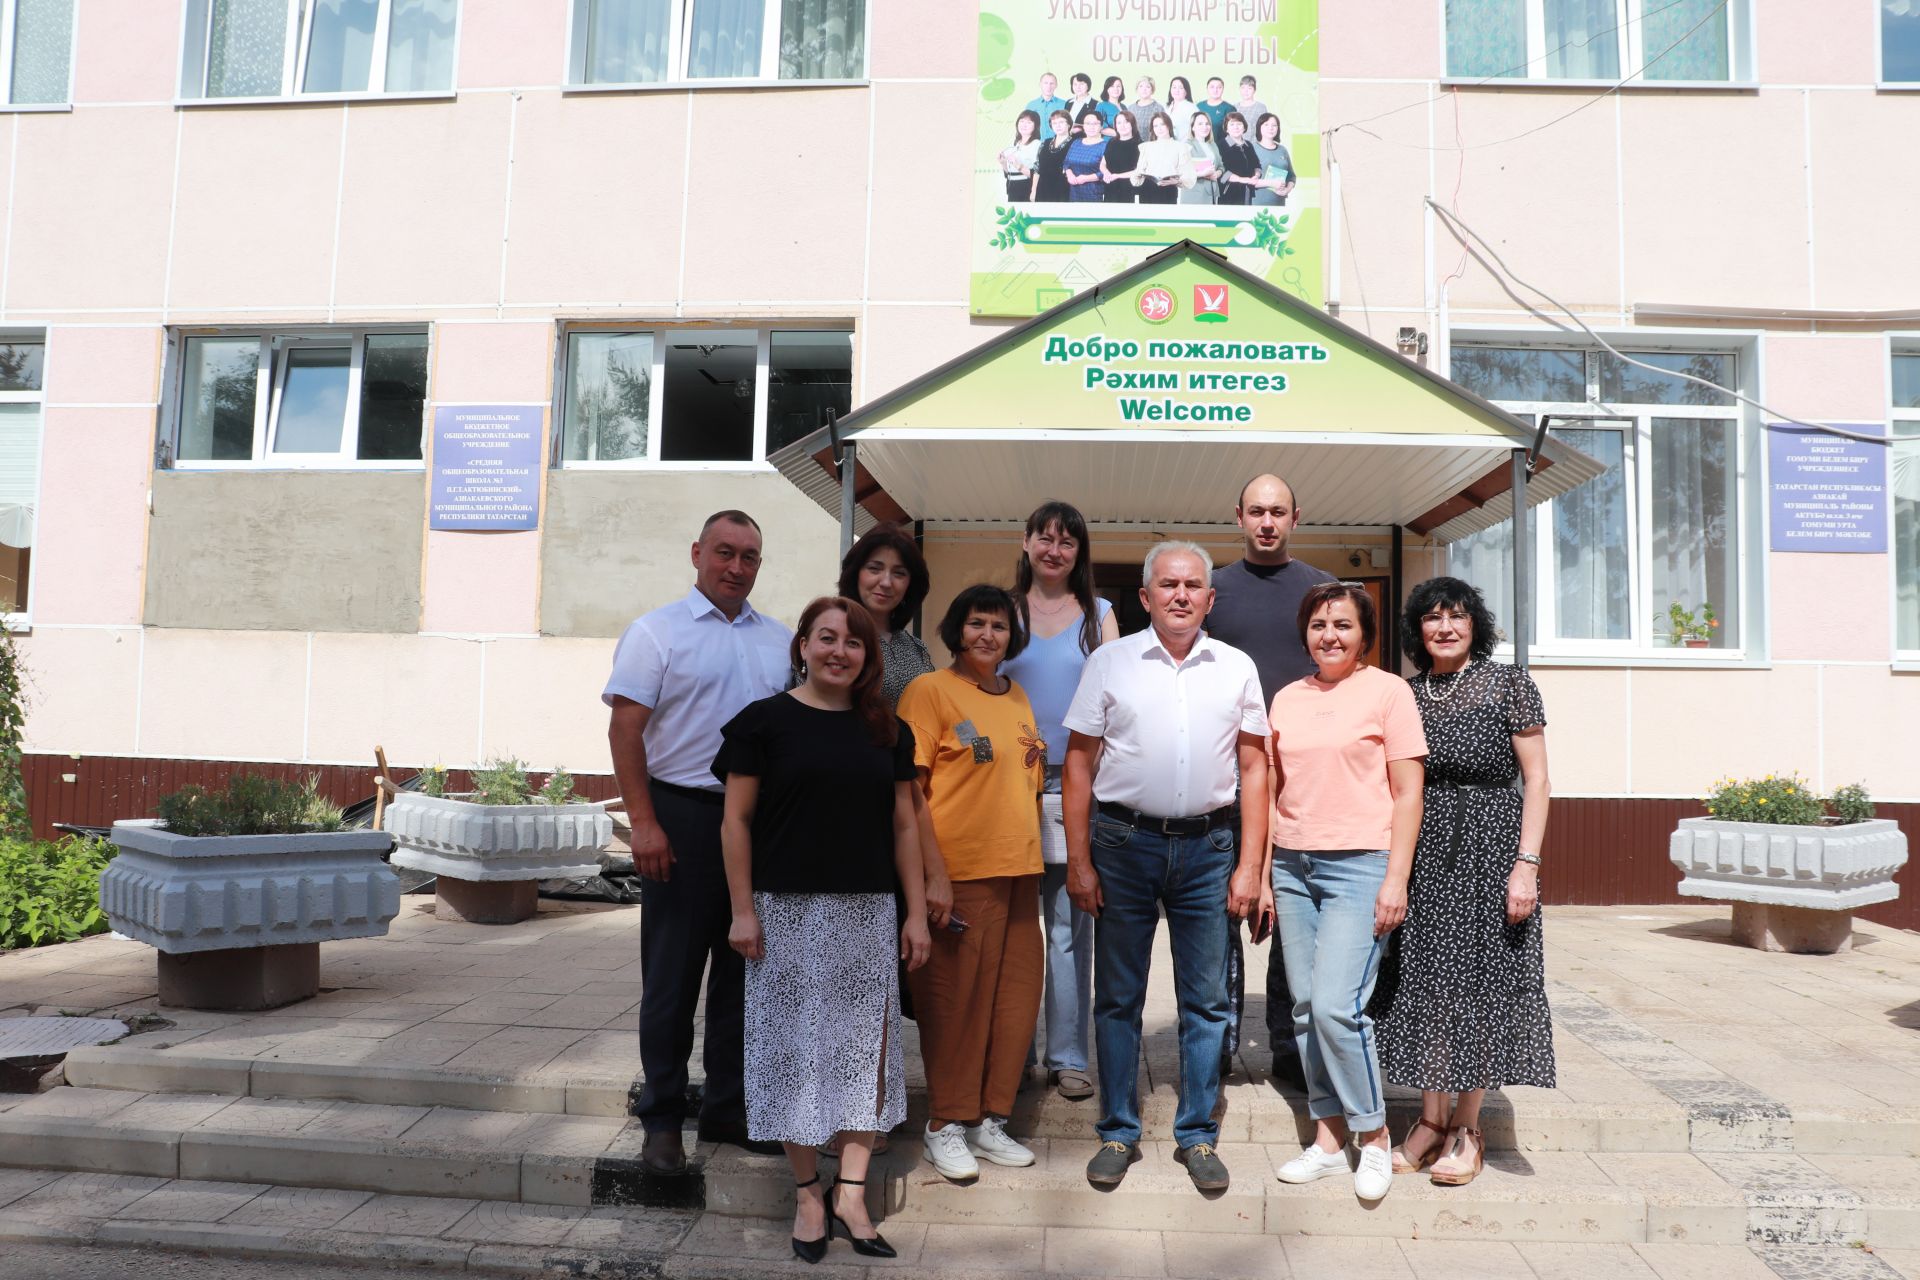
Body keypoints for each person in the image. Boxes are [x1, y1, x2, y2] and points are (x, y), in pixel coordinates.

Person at [716, 597, 932, 1264]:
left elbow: (904, 824)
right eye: (826, 638)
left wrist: (917, 911)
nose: (840, 651)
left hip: (867, 913)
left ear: (870, 657)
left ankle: (852, 1195)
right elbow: (736, 823)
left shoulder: (887, 732)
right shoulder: (762, 724)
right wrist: (743, 909)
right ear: (803, 646)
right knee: (792, 1056)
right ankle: (809, 1193)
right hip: (783, 913)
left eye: (854, 643)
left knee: (865, 1056)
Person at [1063, 542, 1269, 1194]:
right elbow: (1077, 763)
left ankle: (1197, 1134)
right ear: (1145, 597)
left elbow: (1257, 768)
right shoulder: (1109, 662)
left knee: (1206, 1002)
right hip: (1122, 845)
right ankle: (1119, 1132)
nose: (1181, 594)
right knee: (1119, 997)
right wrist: (1079, 861)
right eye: (1167, 584)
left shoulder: (1236, 667)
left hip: (1209, 850)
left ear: (1210, 598)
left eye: (1193, 585)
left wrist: (1250, 868)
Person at [604, 510, 793, 1174]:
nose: (737, 567)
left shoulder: (781, 641)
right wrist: (645, 822)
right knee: (673, 977)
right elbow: (626, 731)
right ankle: (661, 1117)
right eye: (725, 553)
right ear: (697, 554)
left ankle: (727, 1107)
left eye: (749, 557)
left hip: (758, 827)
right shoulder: (656, 633)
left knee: (746, 978)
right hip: (681, 820)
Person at [1372, 578, 1554, 1188]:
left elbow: (1538, 782)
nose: (1444, 627)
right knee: (1427, 982)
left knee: (1481, 983)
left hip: (1493, 851)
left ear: (1475, 623)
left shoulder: (1510, 684)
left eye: (1456, 616)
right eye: (1432, 618)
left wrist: (1526, 864)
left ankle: (1466, 1127)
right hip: (1426, 854)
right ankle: (1428, 1118)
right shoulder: (1407, 694)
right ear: (1417, 630)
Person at [1267, 582, 1425, 1204]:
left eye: (1343, 625)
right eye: (1318, 625)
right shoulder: (1285, 699)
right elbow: (1272, 786)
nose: (1329, 635)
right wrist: (1263, 874)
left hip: (1362, 865)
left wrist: (1396, 878)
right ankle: (1329, 1140)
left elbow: (1408, 793)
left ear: (1365, 636)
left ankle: (1375, 1134)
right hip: (1293, 865)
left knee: (1338, 1007)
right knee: (1306, 1008)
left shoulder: (1389, 691)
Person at [897, 585, 1046, 1184]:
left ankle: (989, 1118)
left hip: (1021, 870)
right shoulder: (929, 691)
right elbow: (909, 793)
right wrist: (932, 874)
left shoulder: (1019, 697)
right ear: (957, 630)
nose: (988, 635)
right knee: (954, 1004)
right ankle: (945, 1125)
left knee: (1013, 1004)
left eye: (1000, 627)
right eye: (977, 623)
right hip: (960, 873)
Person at [1203, 475, 1333, 1091]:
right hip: (1223, 770)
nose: (1266, 522)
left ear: (1296, 517)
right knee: (1221, 904)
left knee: (1291, 907)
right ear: (1238, 516)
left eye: (1278, 511)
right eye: (1256, 510)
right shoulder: (1214, 591)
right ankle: (1221, 1042)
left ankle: (1288, 1043)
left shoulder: (1318, 591)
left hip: (1302, 771)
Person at [1001, 502, 1118, 1104]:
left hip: (1078, 787)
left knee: (1072, 926)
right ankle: (1012, 1055)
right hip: (1004, 790)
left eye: (1067, 541)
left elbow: (1118, 701)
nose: (1054, 550)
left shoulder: (1099, 617)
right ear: (1025, 543)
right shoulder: (1002, 612)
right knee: (1015, 929)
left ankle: (1069, 1057)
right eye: (1043, 538)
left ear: (1080, 552)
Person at [1136, 110, 1188, 206]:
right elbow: (1139, 169)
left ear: (1169, 125)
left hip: (1169, 190)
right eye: (1155, 126)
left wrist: (1177, 181)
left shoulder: (1180, 147)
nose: (1159, 129)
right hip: (1148, 190)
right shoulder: (1146, 147)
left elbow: (1187, 173)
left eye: (1162, 124)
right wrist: (1139, 174)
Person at [1250, 112, 1296, 207]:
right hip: (1256, 205)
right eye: (1266, 125)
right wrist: (1272, 183)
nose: (1270, 128)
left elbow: (1291, 176)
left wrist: (1287, 190)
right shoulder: (1251, 149)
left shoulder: (1282, 150)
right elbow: (1247, 181)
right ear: (1259, 127)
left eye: (1274, 125)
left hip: (1279, 206)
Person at [1178, 111, 1223, 205]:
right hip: (1194, 194)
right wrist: (1202, 174)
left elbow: (1221, 166)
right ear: (1193, 127)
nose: (1205, 127)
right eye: (1200, 124)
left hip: (1212, 193)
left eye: (1207, 124)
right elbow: (1182, 172)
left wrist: (1218, 173)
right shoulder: (1186, 145)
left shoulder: (1212, 144)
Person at [1064, 111, 1109, 203]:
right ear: (1083, 126)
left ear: (1101, 126)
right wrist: (1069, 174)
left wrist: (1085, 178)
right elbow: (1066, 163)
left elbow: (1105, 172)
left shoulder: (1106, 146)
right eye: (1088, 123)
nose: (1091, 127)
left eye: (1095, 123)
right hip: (1074, 191)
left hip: (1094, 193)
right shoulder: (1076, 142)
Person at [1000, 110, 1043, 205]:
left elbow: (1037, 174)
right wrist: (1003, 162)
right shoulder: (1016, 143)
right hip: (1012, 187)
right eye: (1022, 121)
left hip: (1026, 187)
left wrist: (1018, 165)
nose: (1024, 125)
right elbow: (1010, 173)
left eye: (1029, 122)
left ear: (1035, 126)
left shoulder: (1037, 145)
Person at [1099, 109, 1142, 204]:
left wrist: (1117, 176)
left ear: (1132, 124)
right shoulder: (1111, 142)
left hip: (1130, 190)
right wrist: (1106, 173)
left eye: (1126, 122)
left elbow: (1140, 171)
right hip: (1110, 188)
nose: (1122, 126)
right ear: (1115, 126)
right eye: (1119, 123)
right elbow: (1103, 163)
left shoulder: (1140, 145)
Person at [1032, 109, 1074, 203]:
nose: (1058, 126)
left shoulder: (1075, 143)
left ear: (1069, 124)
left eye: (1061, 122)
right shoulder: (1045, 143)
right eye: (1054, 123)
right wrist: (1033, 190)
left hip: (1064, 191)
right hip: (1042, 190)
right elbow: (1037, 168)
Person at [1217, 112, 1258, 206]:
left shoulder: (1248, 145)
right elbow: (1221, 171)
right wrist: (1242, 179)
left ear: (1244, 127)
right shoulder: (1220, 145)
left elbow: (1256, 165)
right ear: (1226, 128)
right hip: (1228, 193)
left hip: (1247, 191)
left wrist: (1256, 175)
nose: (1236, 127)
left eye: (1239, 124)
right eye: (1232, 124)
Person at [1195, 75, 1233, 140]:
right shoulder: (1199, 106)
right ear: (1207, 88)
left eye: (1219, 87)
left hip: (1221, 147)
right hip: (1201, 146)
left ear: (1223, 89)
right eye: (1212, 87)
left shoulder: (1229, 108)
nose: (1215, 90)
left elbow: (1233, 133)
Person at [1127, 76, 1163, 142]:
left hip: (1152, 146)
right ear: (1137, 89)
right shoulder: (1130, 108)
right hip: (1133, 146)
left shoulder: (1158, 108)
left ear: (1152, 90)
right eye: (1141, 86)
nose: (1144, 89)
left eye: (1148, 87)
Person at [1164, 74, 1197, 142]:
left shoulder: (1191, 108)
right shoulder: (1167, 107)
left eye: (1181, 88)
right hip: (1169, 145)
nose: (1177, 90)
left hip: (1185, 147)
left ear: (1186, 91)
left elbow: (1197, 130)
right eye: (1174, 87)